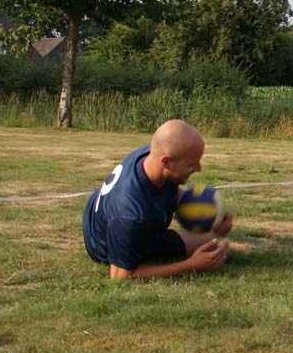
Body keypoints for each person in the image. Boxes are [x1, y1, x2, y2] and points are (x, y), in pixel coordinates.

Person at [82, 119, 233, 279]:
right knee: (208, 246)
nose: (199, 168)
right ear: (166, 163)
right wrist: (192, 265)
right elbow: (120, 275)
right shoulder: (131, 215)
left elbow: (168, 192)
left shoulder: (152, 156)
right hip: (104, 243)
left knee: (210, 242)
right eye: (191, 164)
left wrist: (212, 219)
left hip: (115, 215)